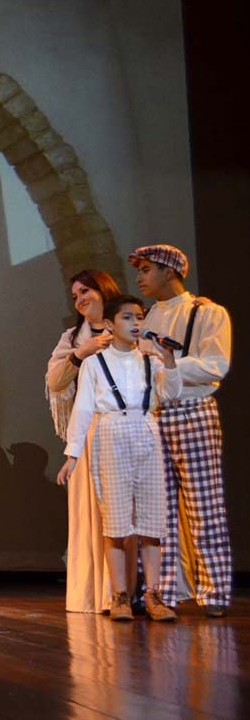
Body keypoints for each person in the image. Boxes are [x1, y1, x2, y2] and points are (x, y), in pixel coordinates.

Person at [58, 295, 180, 622]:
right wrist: (72, 454)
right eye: (127, 317)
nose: (136, 323)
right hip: (111, 432)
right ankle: (120, 596)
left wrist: (169, 361)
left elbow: (169, 393)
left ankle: (153, 595)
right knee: (116, 520)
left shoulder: (150, 361)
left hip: (146, 429)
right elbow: (83, 408)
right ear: (110, 325)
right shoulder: (95, 364)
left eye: (139, 317)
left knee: (152, 521)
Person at [131, 244, 234, 616]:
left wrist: (167, 363)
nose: (140, 277)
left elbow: (215, 365)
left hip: (193, 412)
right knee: (159, 511)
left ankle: (214, 593)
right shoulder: (146, 317)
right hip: (155, 416)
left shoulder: (206, 312)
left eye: (146, 269)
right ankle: (163, 593)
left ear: (169, 271)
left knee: (204, 507)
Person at [45, 269, 121, 613]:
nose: (80, 300)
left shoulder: (128, 323)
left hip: (129, 430)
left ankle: (131, 590)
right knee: (93, 513)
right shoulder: (73, 336)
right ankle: (97, 593)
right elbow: (55, 381)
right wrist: (81, 352)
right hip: (90, 433)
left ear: (103, 289)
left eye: (85, 291)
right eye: (75, 296)